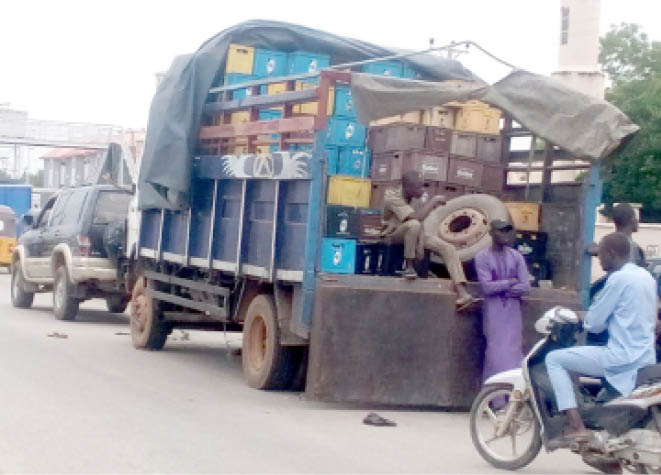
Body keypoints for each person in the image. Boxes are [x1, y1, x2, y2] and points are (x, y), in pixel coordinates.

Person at [545, 232, 657, 444]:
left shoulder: (618, 278)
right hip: (644, 355)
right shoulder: (645, 277)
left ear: (612, 253)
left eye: (601, 254)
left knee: (555, 360)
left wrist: (580, 316)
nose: (598, 259)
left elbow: (595, 323)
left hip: (621, 355)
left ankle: (575, 425)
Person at [381, 170, 476, 309]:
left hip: (415, 232)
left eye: (422, 186)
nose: (422, 190)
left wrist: (420, 244)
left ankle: (462, 292)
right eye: (419, 187)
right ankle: (409, 267)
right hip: (393, 234)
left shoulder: (417, 197)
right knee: (412, 225)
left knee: (447, 248)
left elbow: (421, 224)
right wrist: (434, 202)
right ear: (407, 188)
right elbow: (416, 219)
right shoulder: (391, 197)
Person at [474, 219, 531, 383]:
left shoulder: (516, 256)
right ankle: (495, 399)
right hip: (493, 311)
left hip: (513, 312)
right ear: (491, 233)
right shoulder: (482, 257)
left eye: (507, 231)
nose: (505, 234)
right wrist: (510, 282)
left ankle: (513, 399)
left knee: (513, 353)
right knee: (495, 354)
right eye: (501, 231)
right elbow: (486, 288)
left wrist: (504, 289)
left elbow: (526, 286)